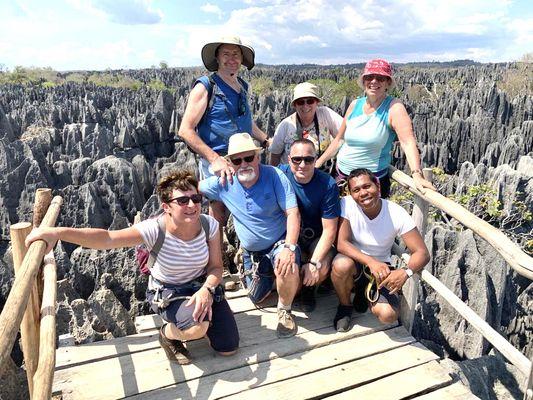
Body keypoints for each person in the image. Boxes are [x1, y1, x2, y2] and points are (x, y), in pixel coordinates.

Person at [25, 170, 239, 364]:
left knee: (228, 348)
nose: (192, 205)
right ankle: (168, 334)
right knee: (196, 328)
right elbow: (107, 238)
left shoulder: (209, 225)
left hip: (201, 287)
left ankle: (201, 318)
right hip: (170, 291)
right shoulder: (154, 230)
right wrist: (58, 233)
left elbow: (216, 268)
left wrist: (207, 290)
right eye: (182, 200)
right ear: (166, 207)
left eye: (195, 198)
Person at [199, 133, 301, 339]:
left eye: (249, 158)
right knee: (256, 297)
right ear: (230, 163)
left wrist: (290, 248)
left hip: (278, 243)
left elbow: (292, 213)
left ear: (258, 157)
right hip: (252, 253)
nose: (244, 164)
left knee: (287, 265)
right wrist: (213, 166)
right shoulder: (222, 182)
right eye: (237, 160)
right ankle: (280, 280)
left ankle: (285, 309)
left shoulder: (273, 176)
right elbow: (191, 186)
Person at [178, 35, 270, 227]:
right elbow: (185, 130)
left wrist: (265, 139)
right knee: (218, 214)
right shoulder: (205, 86)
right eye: (226, 54)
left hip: (244, 158)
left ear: (242, 59)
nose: (231, 59)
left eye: (236, 54)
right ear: (217, 58)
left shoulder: (242, 86)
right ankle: (216, 255)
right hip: (220, 161)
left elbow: (245, 122)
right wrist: (214, 159)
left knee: (249, 208)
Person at [316, 59, 435, 197]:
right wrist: (318, 163)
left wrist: (416, 173)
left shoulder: (394, 107)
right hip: (341, 177)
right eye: (369, 77)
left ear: (388, 83)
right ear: (364, 81)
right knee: (342, 218)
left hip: (371, 183)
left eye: (380, 78)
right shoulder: (355, 105)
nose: (374, 81)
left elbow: (407, 142)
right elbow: (339, 140)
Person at [331, 168, 430, 332]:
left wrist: (405, 272)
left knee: (388, 315)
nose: (363, 193)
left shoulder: (396, 212)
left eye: (367, 186)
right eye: (356, 190)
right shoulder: (346, 204)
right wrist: (371, 262)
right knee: (341, 265)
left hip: (382, 268)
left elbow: (422, 252)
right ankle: (345, 306)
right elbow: (342, 243)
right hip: (355, 261)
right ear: (350, 193)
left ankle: (365, 294)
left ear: (378, 186)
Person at [278, 139, 340, 312]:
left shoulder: (328, 185)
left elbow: (329, 230)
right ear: (289, 159)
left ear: (316, 159)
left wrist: (314, 263)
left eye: (308, 159)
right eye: (297, 159)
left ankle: (309, 289)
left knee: (320, 267)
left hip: (316, 238)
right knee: (288, 278)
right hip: (289, 236)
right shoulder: (279, 175)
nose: (302, 164)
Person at [270, 82, 343, 169]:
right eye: (300, 102)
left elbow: (343, 136)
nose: (305, 106)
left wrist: (319, 162)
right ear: (295, 105)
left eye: (310, 101)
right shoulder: (286, 125)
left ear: (316, 102)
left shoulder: (325, 114)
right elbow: (275, 156)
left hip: (321, 174)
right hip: (292, 177)